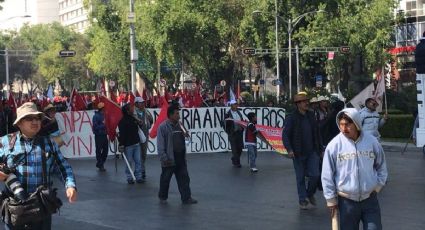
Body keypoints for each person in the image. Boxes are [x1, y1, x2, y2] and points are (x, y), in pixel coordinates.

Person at [0, 102, 77, 230]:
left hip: (42, 208)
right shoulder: (5, 142)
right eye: (29, 118)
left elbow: (63, 167)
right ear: (19, 123)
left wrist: (70, 186)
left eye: (37, 118)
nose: (35, 121)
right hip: (16, 209)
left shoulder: (49, 143)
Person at [321, 108, 388, 230]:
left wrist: (378, 185)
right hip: (347, 202)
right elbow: (327, 174)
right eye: (341, 124)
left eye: (347, 124)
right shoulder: (334, 145)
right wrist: (331, 199)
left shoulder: (372, 142)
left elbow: (381, 165)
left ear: (356, 123)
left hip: (370, 200)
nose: (344, 128)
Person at [282, 92, 322, 210]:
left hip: (312, 152)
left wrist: (320, 149)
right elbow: (285, 135)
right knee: (300, 177)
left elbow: (317, 133)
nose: (306, 103)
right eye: (304, 101)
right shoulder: (291, 117)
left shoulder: (311, 115)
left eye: (307, 101)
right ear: (297, 104)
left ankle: (310, 194)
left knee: (315, 175)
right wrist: (289, 149)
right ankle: (302, 199)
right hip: (298, 153)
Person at [157, 105, 197, 204]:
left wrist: (186, 136)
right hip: (169, 158)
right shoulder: (163, 127)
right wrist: (164, 158)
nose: (179, 115)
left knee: (184, 178)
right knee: (165, 179)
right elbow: (160, 145)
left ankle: (186, 197)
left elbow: (187, 140)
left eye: (178, 113)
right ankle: (162, 196)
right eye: (177, 113)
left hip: (180, 157)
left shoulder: (180, 125)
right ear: (170, 115)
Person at [118, 103, 143, 184]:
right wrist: (121, 144)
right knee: (129, 162)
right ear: (127, 111)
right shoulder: (122, 121)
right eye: (131, 108)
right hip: (128, 145)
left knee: (138, 161)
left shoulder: (134, 118)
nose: (133, 109)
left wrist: (140, 122)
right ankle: (129, 177)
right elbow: (122, 134)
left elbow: (139, 128)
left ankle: (138, 176)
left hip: (136, 143)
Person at [134, 97, 153, 180]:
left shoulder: (146, 111)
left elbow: (151, 120)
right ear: (136, 104)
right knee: (137, 155)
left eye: (142, 102)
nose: (142, 104)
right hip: (136, 136)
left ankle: (141, 169)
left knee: (144, 154)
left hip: (145, 135)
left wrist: (149, 121)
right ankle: (139, 171)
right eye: (140, 102)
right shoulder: (133, 113)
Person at [224, 100, 244, 168]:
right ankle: (237, 162)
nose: (236, 105)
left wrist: (242, 127)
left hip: (239, 132)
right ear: (231, 105)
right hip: (232, 133)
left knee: (240, 148)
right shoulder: (227, 113)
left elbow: (241, 120)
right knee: (234, 149)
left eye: (236, 104)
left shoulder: (239, 112)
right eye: (234, 104)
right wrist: (228, 131)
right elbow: (225, 124)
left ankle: (234, 158)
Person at [92, 102, 108, 172]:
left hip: (104, 135)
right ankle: (101, 164)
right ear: (102, 108)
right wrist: (103, 125)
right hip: (98, 135)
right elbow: (95, 127)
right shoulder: (95, 116)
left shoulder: (105, 115)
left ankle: (100, 163)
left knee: (105, 150)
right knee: (98, 150)